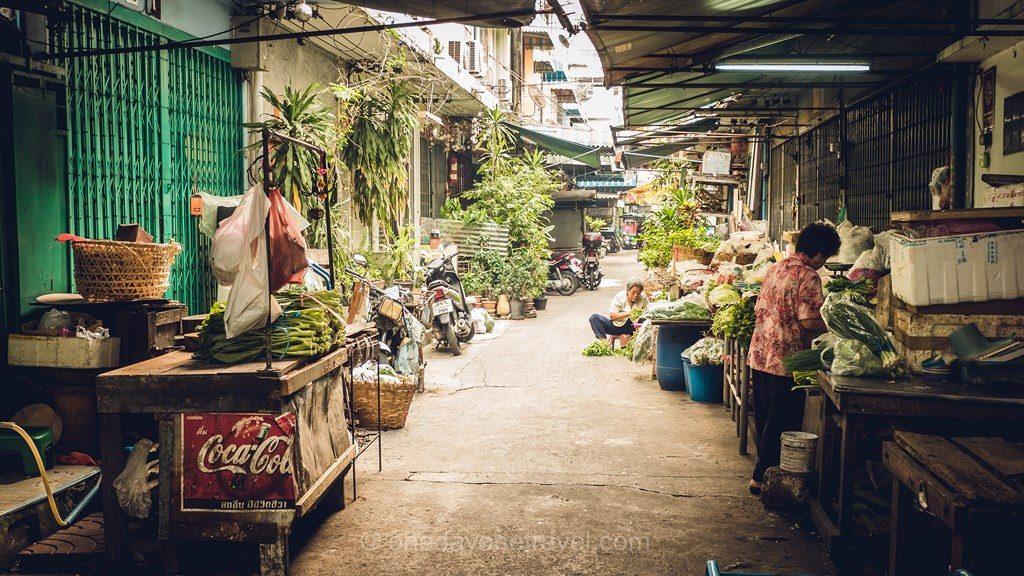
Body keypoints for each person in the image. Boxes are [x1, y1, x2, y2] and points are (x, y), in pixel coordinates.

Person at [747, 222, 841, 495]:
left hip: (760, 353)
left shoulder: (775, 268)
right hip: (784, 357)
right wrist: (836, 328)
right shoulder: (808, 276)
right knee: (783, 419)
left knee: (766, 417)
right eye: (826, 257)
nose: (824, 263)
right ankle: (760, 477)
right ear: (820, 253)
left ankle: (765, 472)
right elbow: (809, 320)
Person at [589, 278, 648, 347]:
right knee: (594, 318)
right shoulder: (620, 297)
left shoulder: (643, 298)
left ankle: (628, 338)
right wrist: (629, 313)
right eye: (633, 292)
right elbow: (612, 316)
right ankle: (605, 343)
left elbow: (649, 312)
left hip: (633, 328)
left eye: (638, 293)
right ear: (627, 291)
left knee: (646, 320)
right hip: (617, 327)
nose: (635, 295)